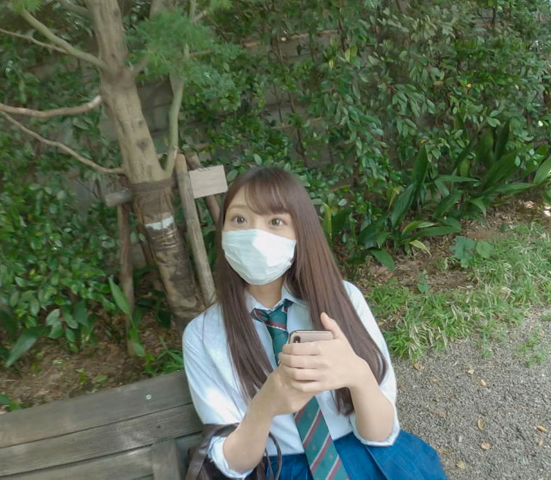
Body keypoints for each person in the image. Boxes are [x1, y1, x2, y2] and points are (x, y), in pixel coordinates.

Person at [183, 167, 447, 480]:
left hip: (367, 456)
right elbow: (233, 466)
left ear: (301, 231)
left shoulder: (343, 300)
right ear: (223, 231)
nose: (254, 236)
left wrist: (358, 375)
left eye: (275, 222)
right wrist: (265, 405)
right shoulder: (203, 335)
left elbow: (381, 434)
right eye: (239, 219)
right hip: (280, 468)